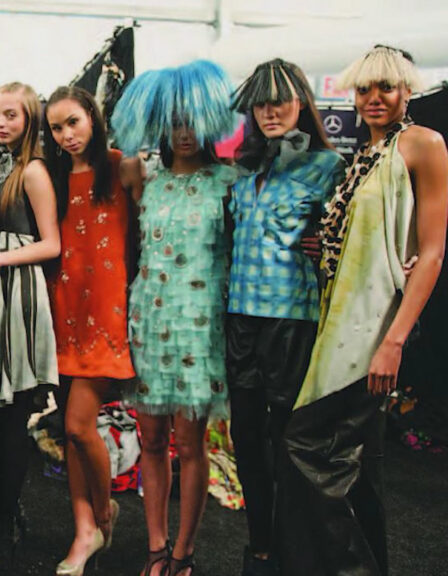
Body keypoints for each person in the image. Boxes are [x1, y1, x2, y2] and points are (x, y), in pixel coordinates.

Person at [284, 45, 447, 576]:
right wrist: (329, 241)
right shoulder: (364, 153)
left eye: (387, 88)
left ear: (408, 91)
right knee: (354, 465)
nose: (374, 99)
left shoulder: (422, 145)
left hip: (373, 327)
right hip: (339, 321)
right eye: (364, 89)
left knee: (310, 445)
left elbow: (433, 251)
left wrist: (394, 341)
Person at [111, 60, 239, 576]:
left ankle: (184, 553)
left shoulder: (229, 182)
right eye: (174, 122)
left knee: (189, 445)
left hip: (200, 329)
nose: (184, 133)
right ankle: (156, 547)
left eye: (192, 121)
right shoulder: (142, 176)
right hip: (149, 321)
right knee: (152, 442)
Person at [226, 58, 345, 576]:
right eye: (261, 102)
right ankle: (261, 547)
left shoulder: (328, 166)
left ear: (302, 102)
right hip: (239, 320)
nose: (270, 111)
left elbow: (345, 245)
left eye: (280, 100)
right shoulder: (243, 166)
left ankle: (293, 553)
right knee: (246, 439)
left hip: (291, 321)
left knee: (288, 443)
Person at [42, 85, 137, 576]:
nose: (66, 135)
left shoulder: (121, 165)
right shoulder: (54, 175)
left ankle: (102, 514)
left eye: (73, 122)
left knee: (80, 424)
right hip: (64, 312)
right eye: (57, 127)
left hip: (108, 315)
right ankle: (84, 531)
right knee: (72, 433)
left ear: (92, 119)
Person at [0, 81, 60, 566]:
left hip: (17, 291)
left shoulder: (35, 171)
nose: (1, 123)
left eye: (11, 116)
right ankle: (8, 507)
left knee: (10, 417)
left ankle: (2, 524)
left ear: (29, 119)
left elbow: (51, 244)